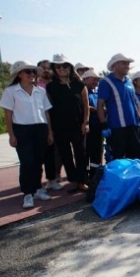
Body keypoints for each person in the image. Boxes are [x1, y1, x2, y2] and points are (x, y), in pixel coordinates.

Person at [0, 61, 53, 208]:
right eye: (28, 71)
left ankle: (38, 189)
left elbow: (46, 113)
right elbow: (8, 114)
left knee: (38, 161)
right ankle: (28, 193)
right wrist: (11, 134)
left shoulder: (40, 91)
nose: (31, 74)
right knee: (27, 161)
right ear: (19, 74)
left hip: (40, 128)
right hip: (22, 129)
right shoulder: (10, 91)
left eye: (33, 72)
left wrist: (50, 132)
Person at [45, 54, 90, 192]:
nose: (61, 69)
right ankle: (74, 180)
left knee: (80, 153)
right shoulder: (50, 87)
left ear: (70, 67)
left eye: (64, 66)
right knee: (65, 155)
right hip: (59, 128)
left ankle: (82, 181)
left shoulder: (80, 84)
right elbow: (48, 110)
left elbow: (86, 105)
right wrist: (50, 130)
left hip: (78, 125)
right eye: (58, 66)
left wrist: (85, 122)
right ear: (54, 68)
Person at [97, 53, 140, 160]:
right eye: (124, 63)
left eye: (128, 64)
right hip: (117, 128)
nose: (127, 66)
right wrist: (103, 125)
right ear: (115, 65)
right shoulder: (106, 82)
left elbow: (133, 102)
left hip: (133, 126)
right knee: (118, 159)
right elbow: (100, 105)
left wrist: (139, 119)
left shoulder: (129, 81)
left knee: (135, 157)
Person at [36, 59, 62, 190]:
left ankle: (54, 177)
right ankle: (38, 183)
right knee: (41, 153)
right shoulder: (36, 85)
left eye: (48, 68)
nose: (46, 70)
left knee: (56, 151)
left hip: (57, 121)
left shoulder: (57, 83)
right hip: (41, 122)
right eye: (43, 68)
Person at [82, 70, 103, 178]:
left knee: (97, 151)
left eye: (97, 79)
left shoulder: (97, 92)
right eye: (94, 79)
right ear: (86, 79)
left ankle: (94, 175)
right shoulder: (82, 90)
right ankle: (84, 176)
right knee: (86, 152)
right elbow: (85, 106)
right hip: (87, 127)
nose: (96, 81)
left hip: (97, 126)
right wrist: (98, 109)